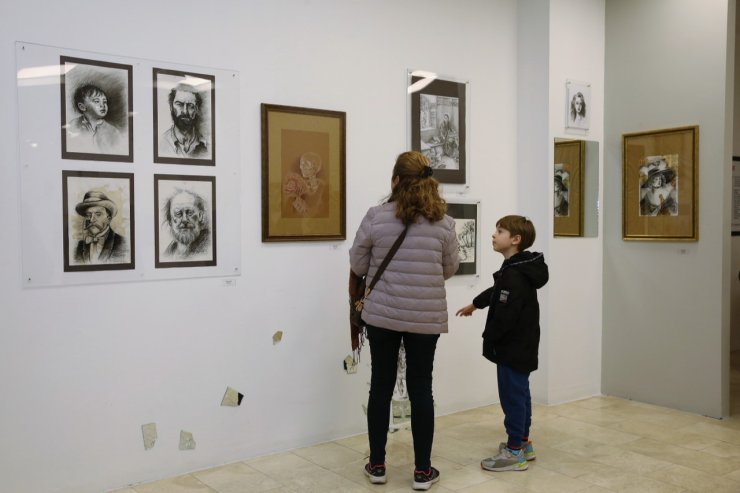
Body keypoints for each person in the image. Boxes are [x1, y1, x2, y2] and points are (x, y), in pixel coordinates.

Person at [349, 151, 459, 491]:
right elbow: (449, 269)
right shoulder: (444, 222)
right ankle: (423, 472)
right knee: (421, 389)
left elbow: (358, 263)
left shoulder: (376, 216)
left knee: (380, 386)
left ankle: (378, 465)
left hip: (382, 315)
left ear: (395, 180)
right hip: (425, 318)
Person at [456, 215, 548, 472]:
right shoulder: (518, 268)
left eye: (500, 231)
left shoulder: (514, 275)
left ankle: (514, 452)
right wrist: (476, 303)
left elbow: (505, 315)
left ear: (515, 240)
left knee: (512, 398)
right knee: (521, 394)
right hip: (524, 345)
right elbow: (497, 293)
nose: (494, 235)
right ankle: (523, 443)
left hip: (513, 347)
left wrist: (490, 339)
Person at [67, 84, 125, 154]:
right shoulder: (73, 125)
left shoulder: (113, 131)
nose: (102, 105)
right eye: (97, 101)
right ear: (82, 107)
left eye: (104, 102)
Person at [74, 191, 127, 264]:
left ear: (108, 219)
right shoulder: (79, 246)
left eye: (98, 214)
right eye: (88, 215)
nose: (92, 220)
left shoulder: (122, 243)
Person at [159, 83, 208, 158]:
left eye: (190, 106)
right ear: (171, 107)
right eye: (179, 104)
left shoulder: (207, 145)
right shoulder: (161, 143)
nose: (185, 111)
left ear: (196, 110)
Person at [162, 190, 211, 259]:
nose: (184, 220)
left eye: (190, 212)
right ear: (170, 219)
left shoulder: (209, 247)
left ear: (200, 216)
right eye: (178, 213)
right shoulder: (168, 254)